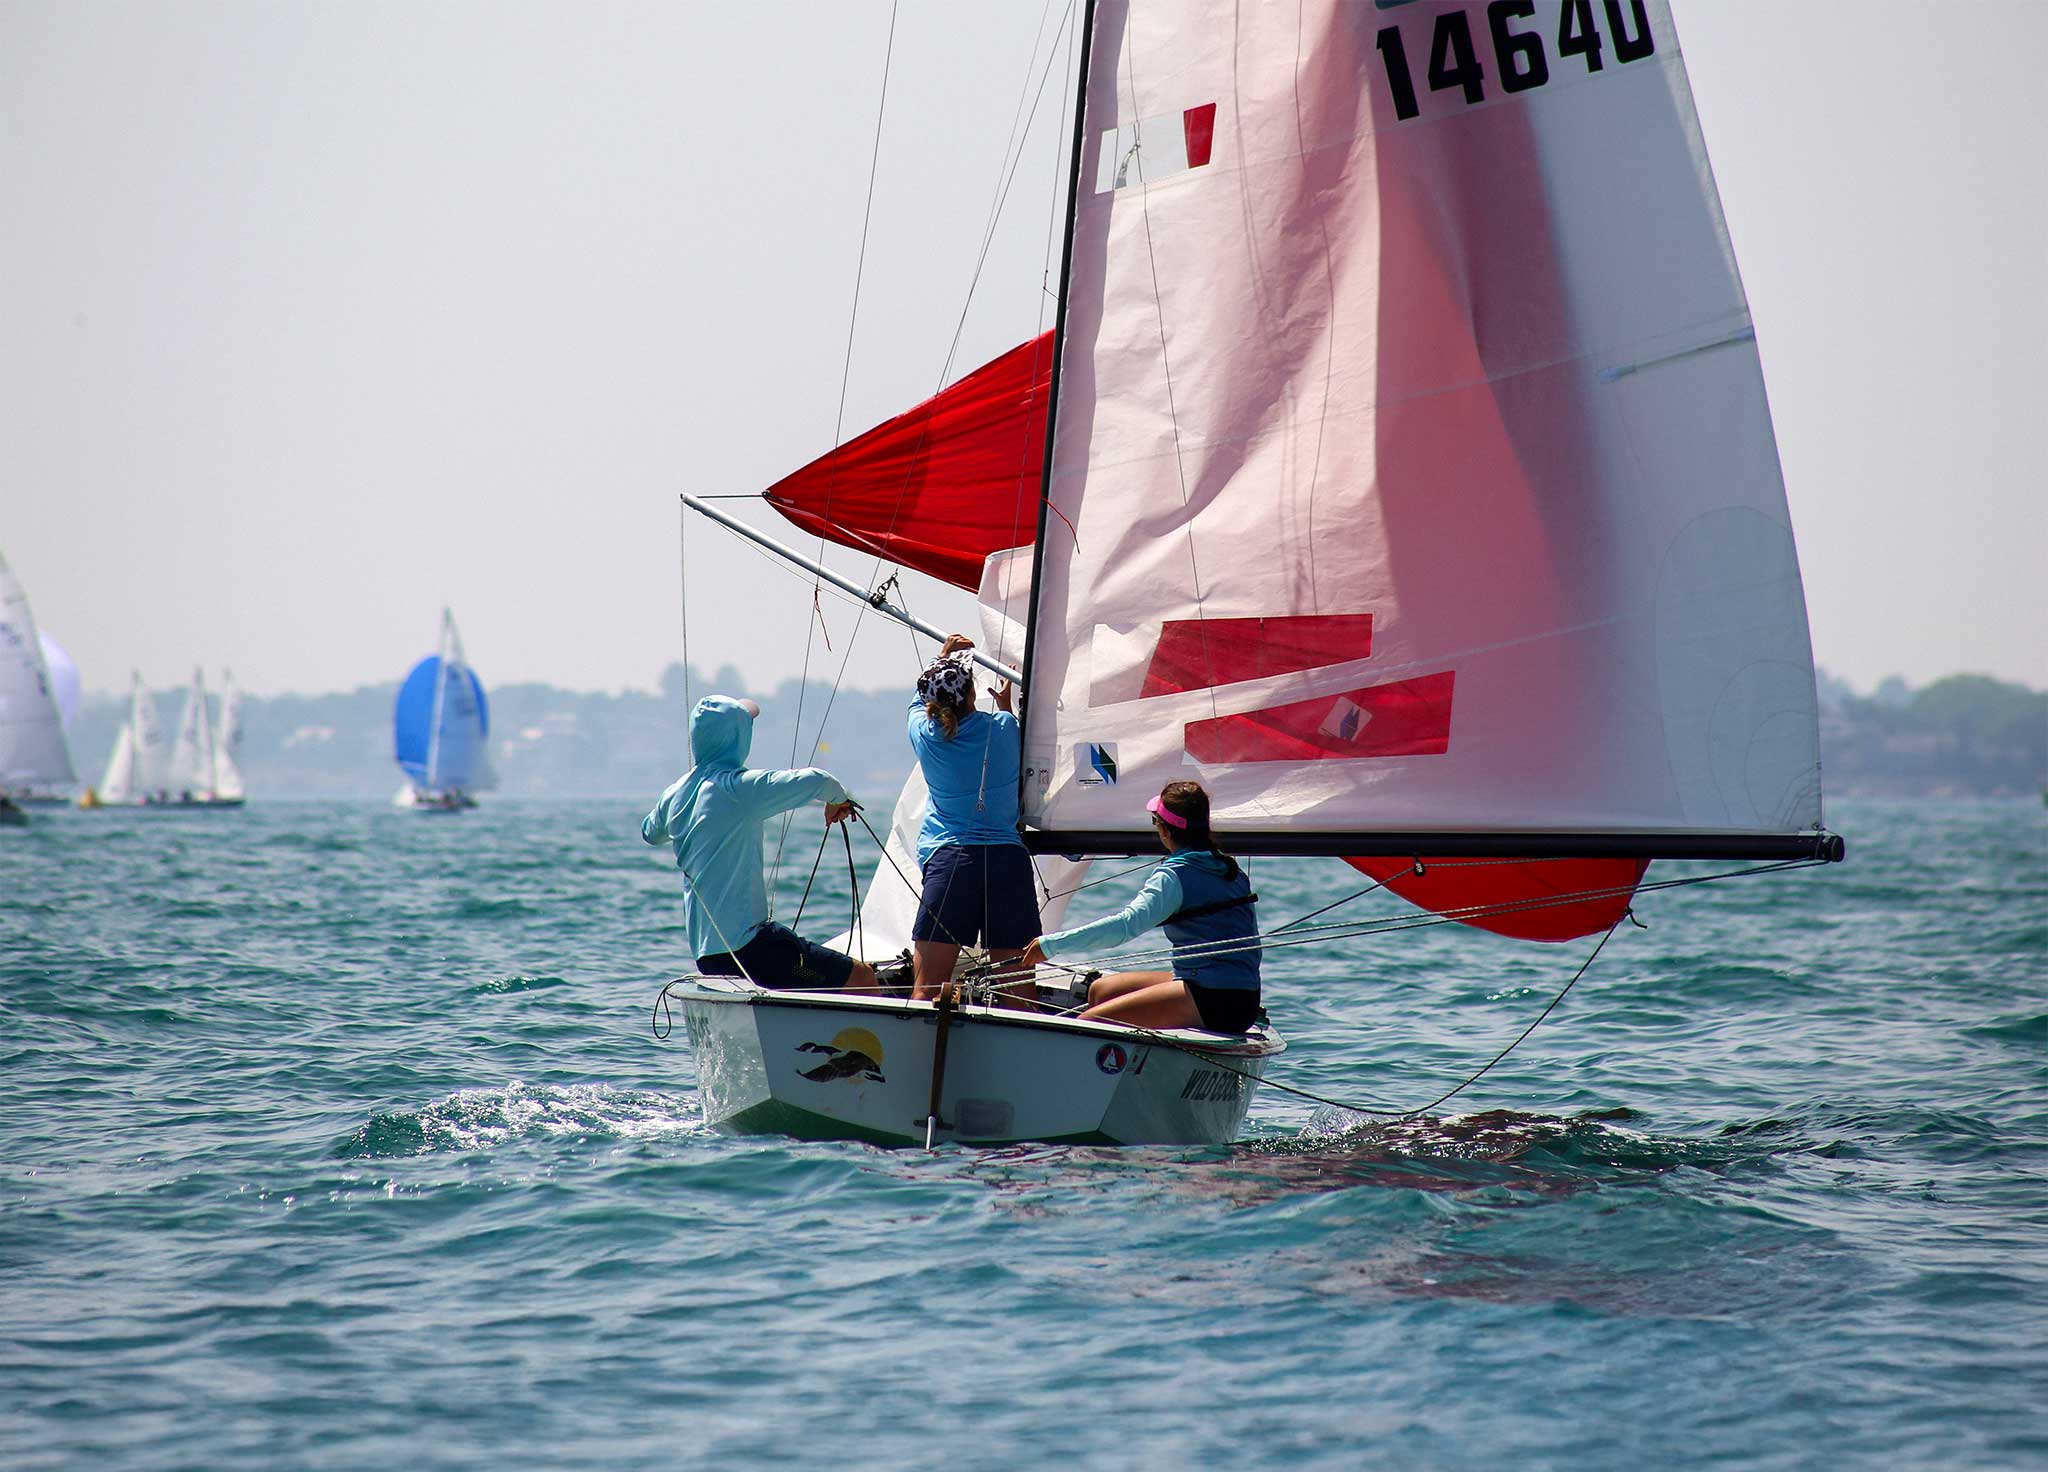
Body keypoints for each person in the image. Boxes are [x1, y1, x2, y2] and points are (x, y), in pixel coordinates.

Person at [642, 694, 876, 992]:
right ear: (739, 737)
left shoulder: (674, 794)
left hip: (708, 957)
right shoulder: (739, 788)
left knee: (809, 978)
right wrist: (837, 800)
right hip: (753, 952)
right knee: (862, 978)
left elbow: (650, 832)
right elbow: (819, 781)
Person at [1020, 780, 1261, 1033]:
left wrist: (1051, 945)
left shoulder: (1174, 876)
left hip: (1216, 998)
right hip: (1241, 996)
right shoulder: (1230, 869)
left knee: (1086, 1026)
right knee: (1101, 991)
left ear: (1165, 831)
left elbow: (1125, 927)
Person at [907, 634, 1038, 1008]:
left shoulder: (924, 735)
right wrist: (1006, 705)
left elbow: (917, 702)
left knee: (927, 991)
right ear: (972, 694)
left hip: (951, 863)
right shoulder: (1005, 726)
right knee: (1019, 998)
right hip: (1007, 863)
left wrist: (942, 656)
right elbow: (1007, 732)